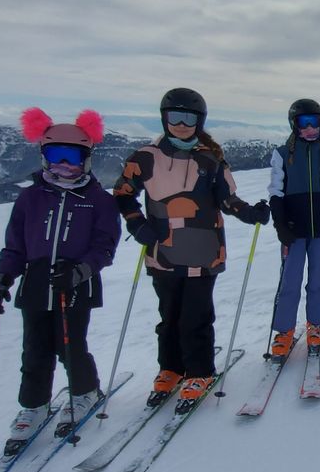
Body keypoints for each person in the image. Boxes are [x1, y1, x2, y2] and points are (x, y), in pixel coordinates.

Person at [113, 88, 270, 413]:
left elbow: (227, 199)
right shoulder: (146, 157)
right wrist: (136, 224)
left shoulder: (210, 158)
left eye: (190, 118)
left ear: (200, 121)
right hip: (163, 251)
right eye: (175, 117)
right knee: (168, 315)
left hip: (203, 251)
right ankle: (170, 368)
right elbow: (123, 194)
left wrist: (249, 212)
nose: (182, 124)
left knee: (195, 316)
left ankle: (199, 372)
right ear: (164, 118)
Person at [0, 108, 120, 444]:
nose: (63, 165)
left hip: (77, 283)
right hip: (36, 282)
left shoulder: (98, 201)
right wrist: (1, 281)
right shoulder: (31, 197)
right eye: (54, 155)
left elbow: (105, 247)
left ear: (86, 159)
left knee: (71, 344)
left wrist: (79, 271)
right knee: (34, 348)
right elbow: (15, 246)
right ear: (43, 156)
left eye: (71, 157)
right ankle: (34, 405)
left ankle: (84, 391)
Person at [267, 99, 320, 356]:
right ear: (294, 124)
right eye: (304, 122)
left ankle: (315, 325)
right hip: (294, 228)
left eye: (315, 122)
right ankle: (284, 330)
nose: (311, 128)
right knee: (290, 280)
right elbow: (276, 190)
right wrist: (280, 222)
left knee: (319, 278)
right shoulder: (282, 154)